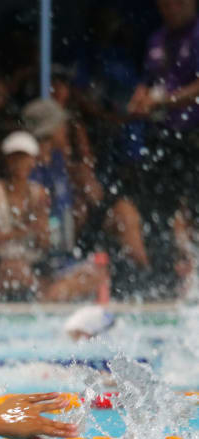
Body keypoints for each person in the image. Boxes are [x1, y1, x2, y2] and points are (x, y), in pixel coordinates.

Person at [22, 98, 150, 282]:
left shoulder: (58, 162)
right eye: (61, 125)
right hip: (44, 258)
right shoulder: (31, 169)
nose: (66, 129)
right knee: (93, 278)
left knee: (124, 213)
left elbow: (92, 196)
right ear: (49, 130)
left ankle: (145, 276)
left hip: (66, 248)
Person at [0, 131, 108, 302]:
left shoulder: (39, 193)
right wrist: (24, 231)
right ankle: (44, 297)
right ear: (6, 161)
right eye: (15, 158)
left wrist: (40, 231)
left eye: (24, 158)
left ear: (33, 161)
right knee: (15, 270)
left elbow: (44, 243)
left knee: (94, 274)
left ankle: (45, 296)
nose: (20, 163)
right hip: (0, 265)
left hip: (34, 266)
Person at [127, 0, 199, 297]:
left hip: (195, 137)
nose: (168, 8)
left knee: (195, 212)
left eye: (176, 2)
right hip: (164, 138)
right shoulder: (157, 38)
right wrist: (140, 99)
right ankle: (163, 283)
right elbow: (148, 80)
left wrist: (164, 101)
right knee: (157, 213)